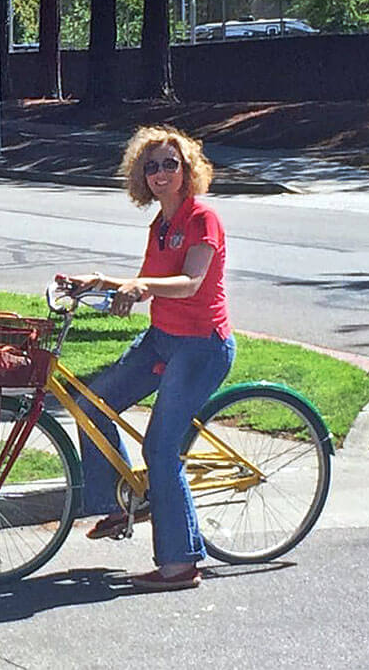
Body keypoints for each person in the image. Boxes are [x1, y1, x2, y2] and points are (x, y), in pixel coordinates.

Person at [64, 125, 234, 593]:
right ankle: (119, 505)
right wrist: (102, 283)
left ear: (187, 170)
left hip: (202, 345)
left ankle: (181, 565)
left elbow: (190, 282)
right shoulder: (160, 224)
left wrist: (142, 287)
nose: (160, 173)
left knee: (160, 447)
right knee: (93, 404)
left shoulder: (203, 218)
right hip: (162, 338)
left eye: (169, 165)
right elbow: (148, 282)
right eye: (151, 166)